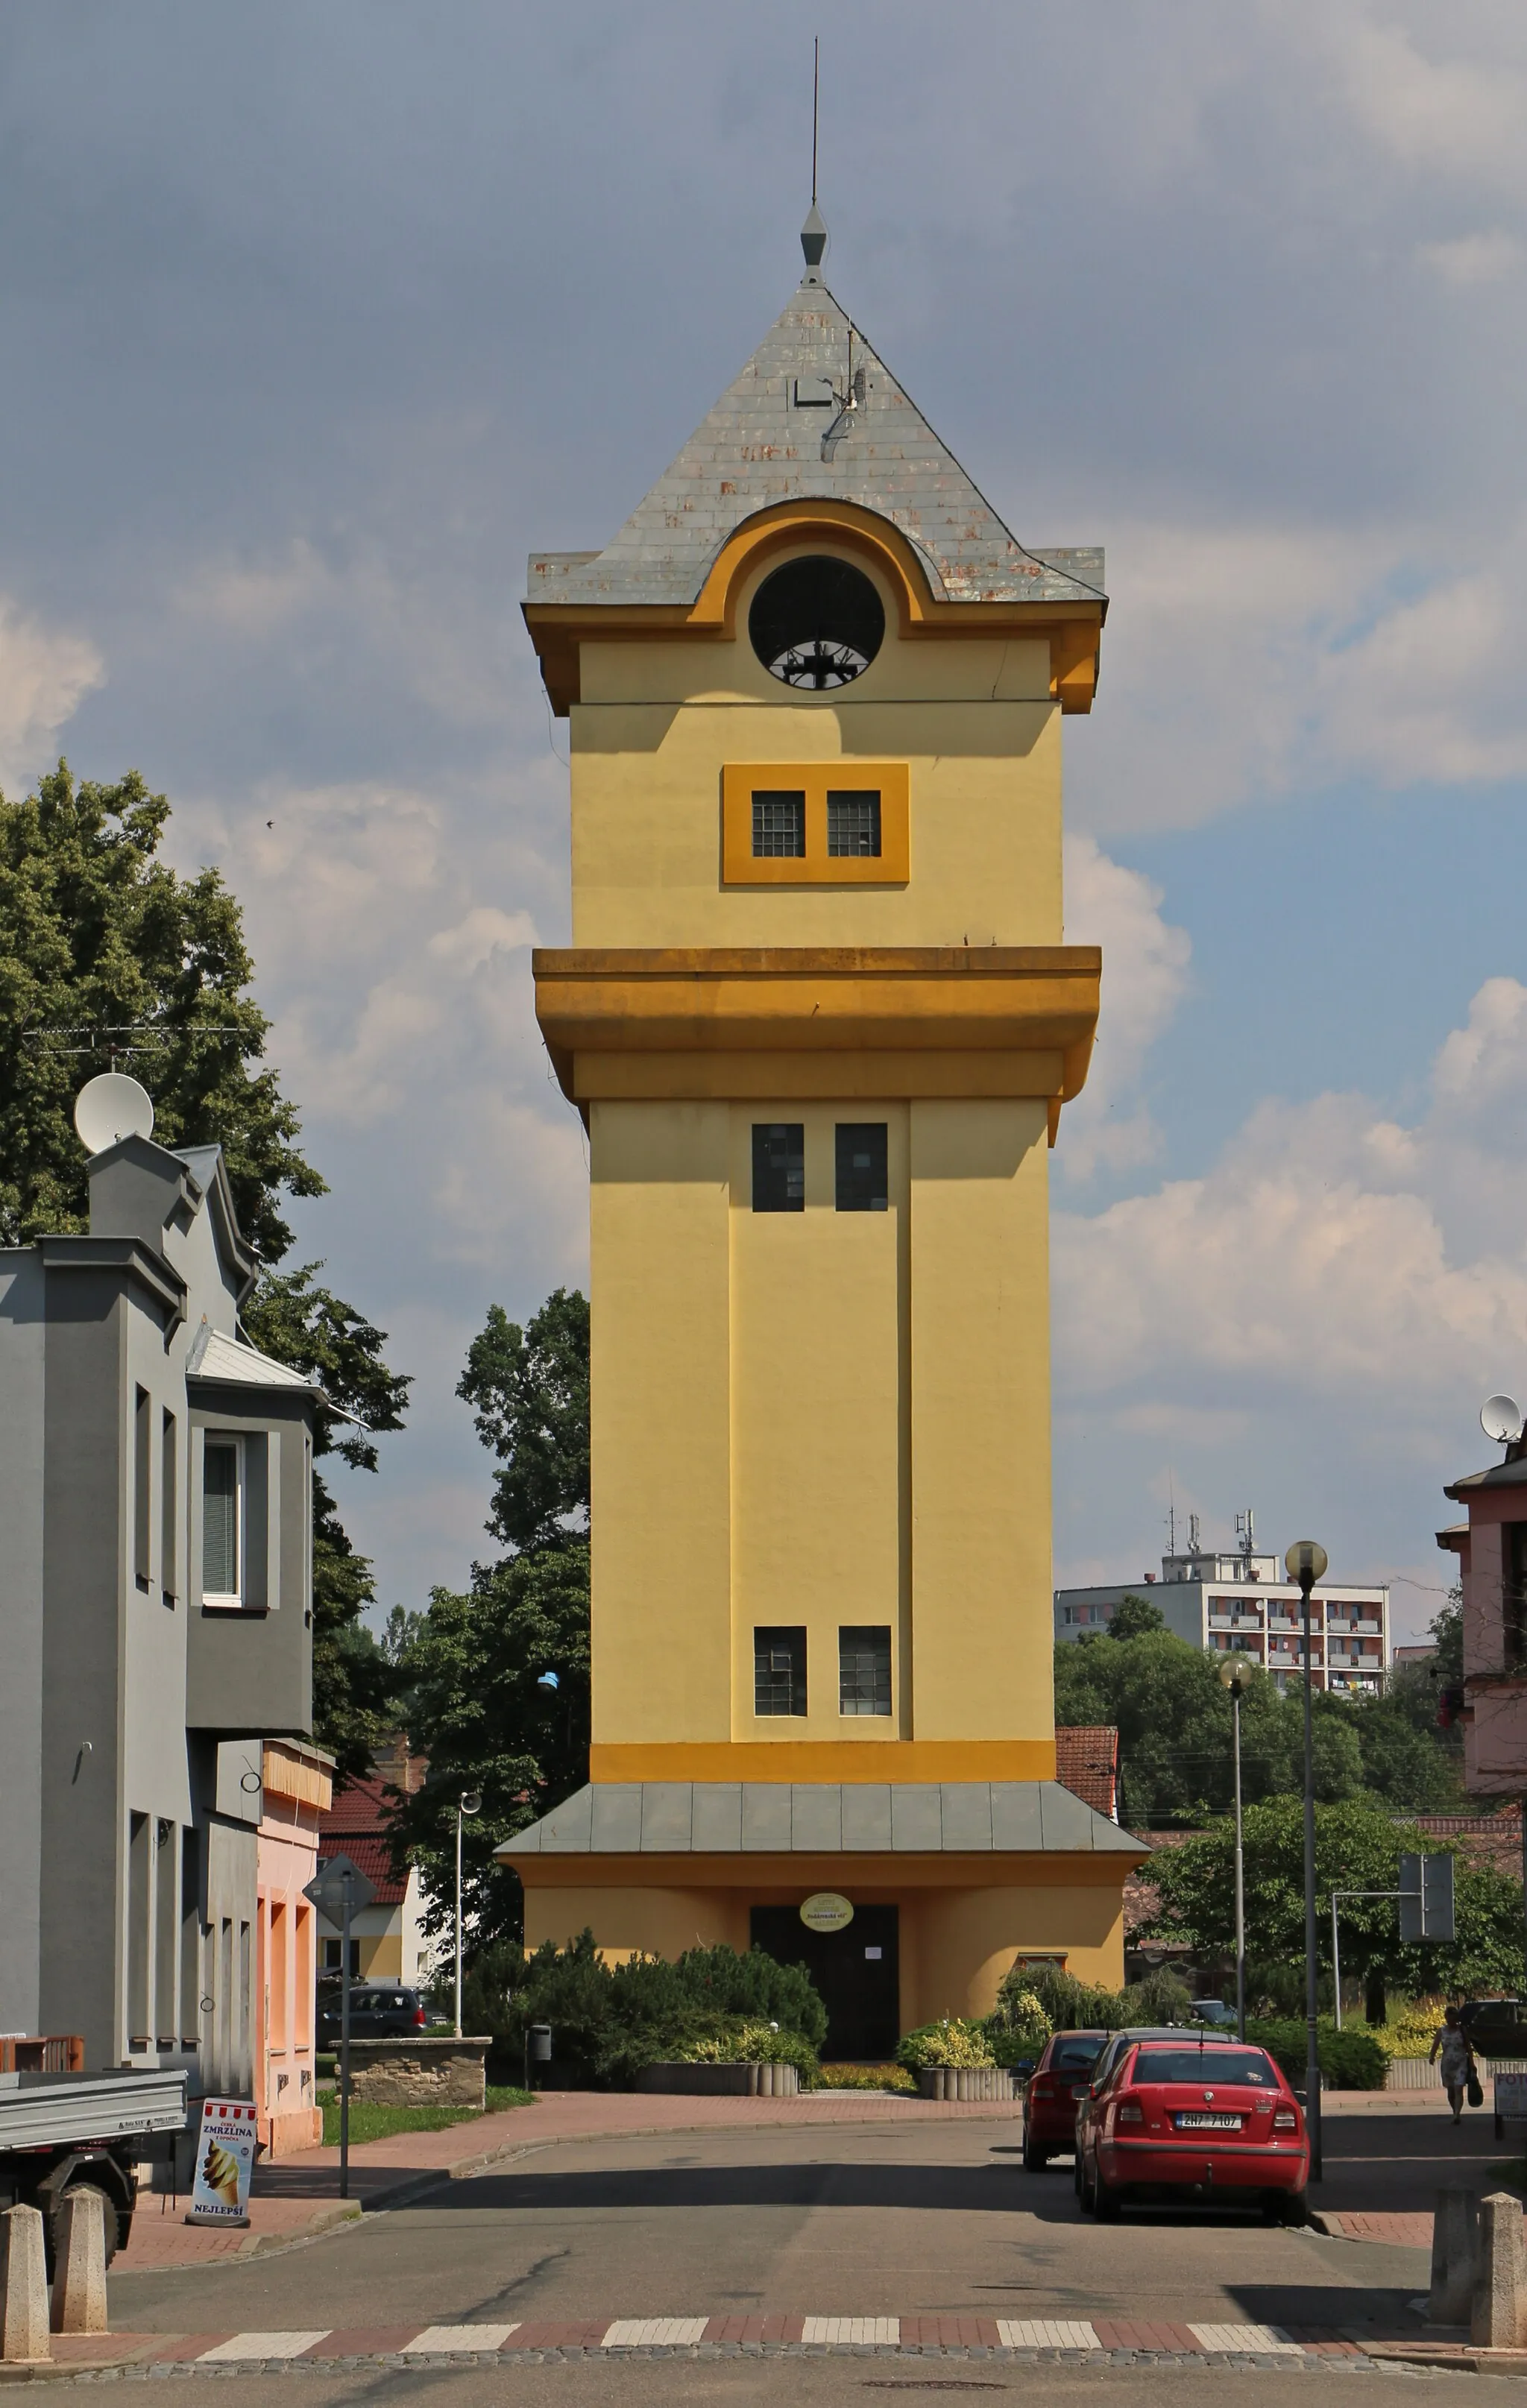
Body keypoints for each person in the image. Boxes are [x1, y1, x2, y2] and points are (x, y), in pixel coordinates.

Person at [1430, 2005, 1475, 2125]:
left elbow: (1468, 2048)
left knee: (1459, 2088)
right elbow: (1436, 2045)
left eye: (1454, 2018)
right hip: (1447, 2065)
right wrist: (1432, 2057)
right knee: (1451, 2091)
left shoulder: (1462, 2030)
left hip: (1461, 2063)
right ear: (1446, 2018)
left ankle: (1457, 2115)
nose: (1452, 2021)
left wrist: (1471, 2062)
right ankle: (1454, 2110)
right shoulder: (1441, 2031)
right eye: (1449, 2018)